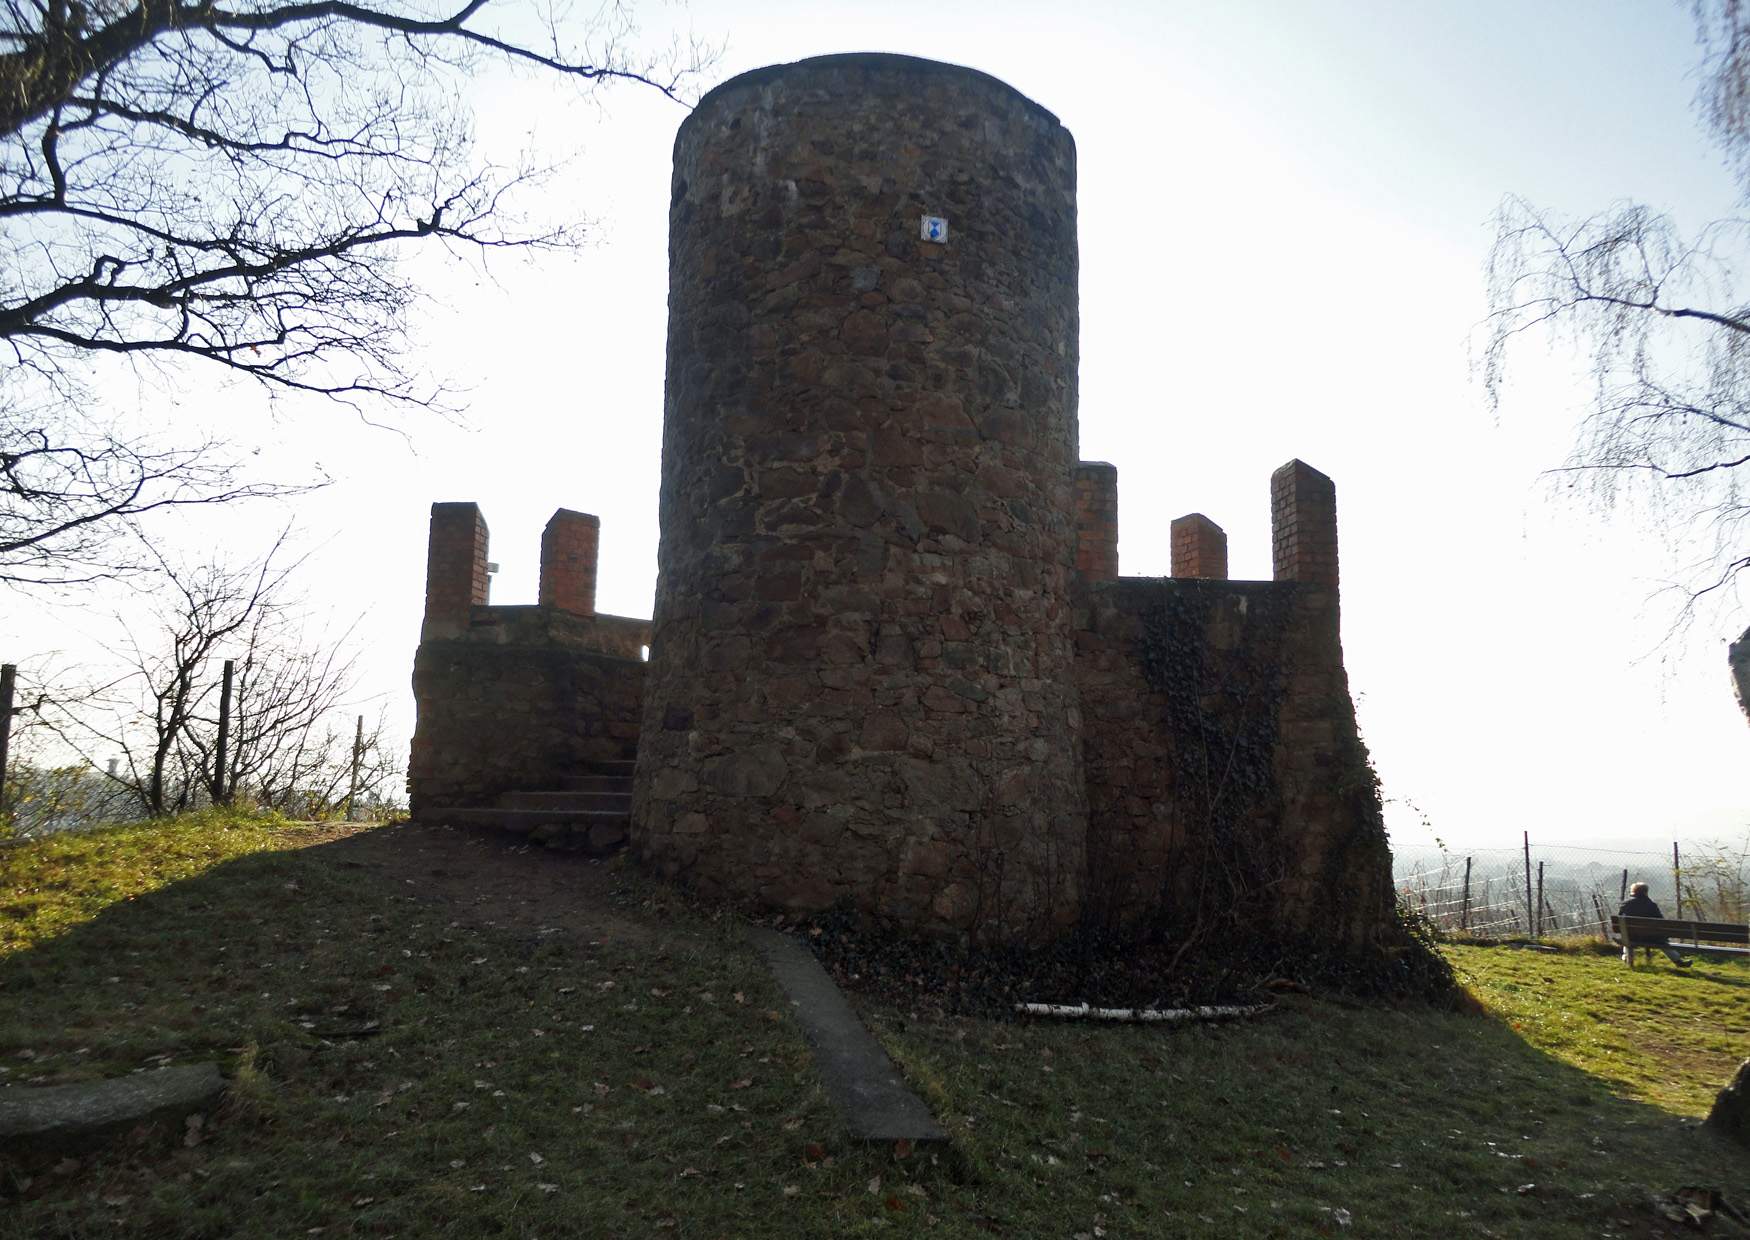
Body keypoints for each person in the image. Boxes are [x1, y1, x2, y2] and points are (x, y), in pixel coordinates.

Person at [1618, 882, 1692, 967]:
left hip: (1632, 936)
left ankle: (1626, 957)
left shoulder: (1625, 905)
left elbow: (1621, 921)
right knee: (1663, 941)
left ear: (1633, 892)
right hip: (1651, 937)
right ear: (1646, 892)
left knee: (1627, 935)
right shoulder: (1651, 905)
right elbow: (1660, 922)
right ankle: (1678, 961)